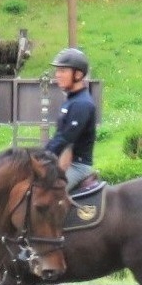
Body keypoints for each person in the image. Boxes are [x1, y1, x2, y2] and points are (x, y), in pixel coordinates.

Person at [45, 47, 98, 191]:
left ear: (78, 74)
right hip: (62, 161)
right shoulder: (71, 100)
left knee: (48, 194)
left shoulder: (82, 104)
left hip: (77, 166)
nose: (58, 75)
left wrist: (43, 157)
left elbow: (65, 138)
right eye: (57, 71)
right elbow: (58, 137)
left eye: (63, 71)